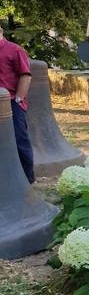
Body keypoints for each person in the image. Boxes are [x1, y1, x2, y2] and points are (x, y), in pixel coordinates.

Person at [0, 25, 34, 183]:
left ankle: (26, 180)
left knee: (19, 141)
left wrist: (19, 100)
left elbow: (25, 76)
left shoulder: (15, 50)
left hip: (12, 103)